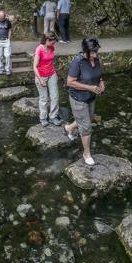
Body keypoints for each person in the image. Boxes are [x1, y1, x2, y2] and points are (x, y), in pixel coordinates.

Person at [64, 37, 104, 165]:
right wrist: (90, 87)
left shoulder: (96, 59)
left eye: (96, 51)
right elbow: (70, 82)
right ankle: (86, 153)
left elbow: (99, 75)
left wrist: (101, 83)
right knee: (86, 127)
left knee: (88, 118)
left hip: (91, 97)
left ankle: (69, 128)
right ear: (85, 51)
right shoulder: (78, 61)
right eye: (92, 52)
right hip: (78, 98)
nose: (95, 54)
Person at [33, 32, 62, 127]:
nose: (54, 44)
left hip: (52, 74)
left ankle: (53, 116)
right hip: (41, 76)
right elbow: (34, 67)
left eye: (54, 42)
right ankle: (43, 118)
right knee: (44, 98)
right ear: (46, 40)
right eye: (52, 42)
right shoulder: (39, 49)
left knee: (55, 96)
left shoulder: (52, 47)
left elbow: (50, 61)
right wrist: (40, 79)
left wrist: (55, 72)